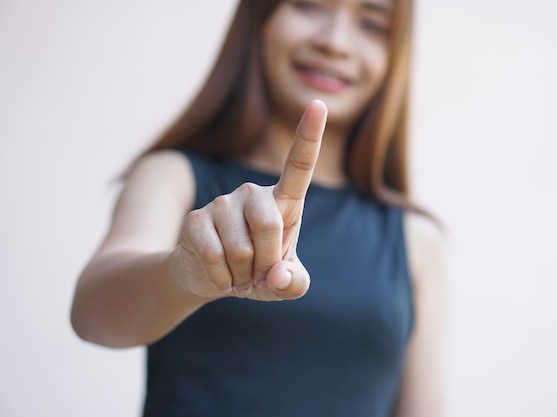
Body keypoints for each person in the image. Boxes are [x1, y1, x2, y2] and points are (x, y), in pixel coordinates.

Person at [71, 0, 446, 416]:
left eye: (374, 24)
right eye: (308, 4)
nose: (335, 43)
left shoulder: (415, 239)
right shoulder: (173, 177)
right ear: (259, 15)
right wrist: (185, 274)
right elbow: (90, 311)